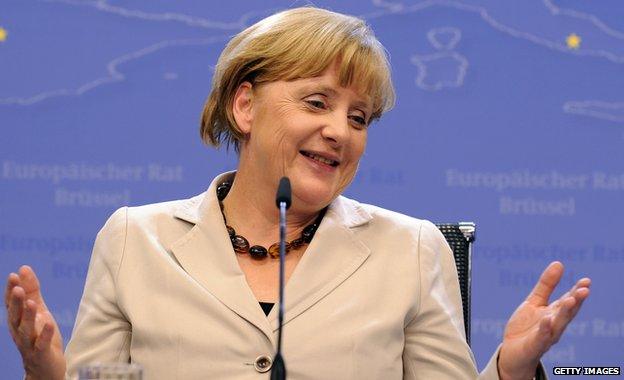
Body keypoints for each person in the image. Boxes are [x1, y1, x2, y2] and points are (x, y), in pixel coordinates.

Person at [5, 7, 590, 380]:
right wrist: (45, 373)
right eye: (317, 103)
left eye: (359, 118)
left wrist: (510, 372)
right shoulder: (135, 239)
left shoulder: (412, 250)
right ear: (245, 105)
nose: (340, 131)